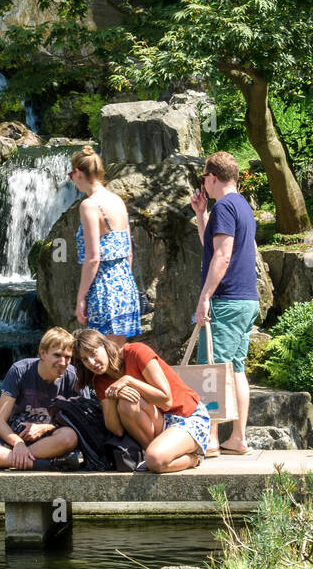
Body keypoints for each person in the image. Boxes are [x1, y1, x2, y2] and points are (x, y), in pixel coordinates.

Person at [190, 151, 259, 456]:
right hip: (246, 300)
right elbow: (214, 246)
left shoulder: (225, 208)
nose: (202, 183)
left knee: (211, 369)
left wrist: (205, 297)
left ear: (213, 177)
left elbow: (222, 255)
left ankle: (213, 438)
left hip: (226, 300)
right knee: (236, 370)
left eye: (203, 177)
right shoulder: (240, 205)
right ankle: (238, 438)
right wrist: (200, 215)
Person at [73, 328, 210, 473]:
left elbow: (166, 400)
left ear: (105, 345)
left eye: (93, 354)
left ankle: (193, 459)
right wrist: (113, 398)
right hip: (159, 421)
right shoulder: (100, 380)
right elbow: (116, 430)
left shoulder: (136, 352)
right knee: (126, 403)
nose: (91, 362)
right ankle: (154, 453)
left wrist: (129, 380)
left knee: (155, 461)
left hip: (187, 416)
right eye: (84, 359)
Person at [0, 327, 82, 469]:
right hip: (15, 439)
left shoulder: (73, 376)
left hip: (50, 441)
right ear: (43, 353)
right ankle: (41, 464)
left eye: (67, 357)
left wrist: (44, 428)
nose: (63, 362)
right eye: (57, 355)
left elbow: (80, 423)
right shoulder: (19, 370)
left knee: (69, 437)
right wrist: (18, 443)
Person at [72, 145, 142, 346]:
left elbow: (93, 258)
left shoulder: (89, 206)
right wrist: (121, 283)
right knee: (117, 353)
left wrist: (81, 298)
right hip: (125, 284)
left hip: (103, 288)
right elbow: (128, 251)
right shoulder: (117, 200)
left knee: (100, 355)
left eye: (71, 174)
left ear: (78, 173)